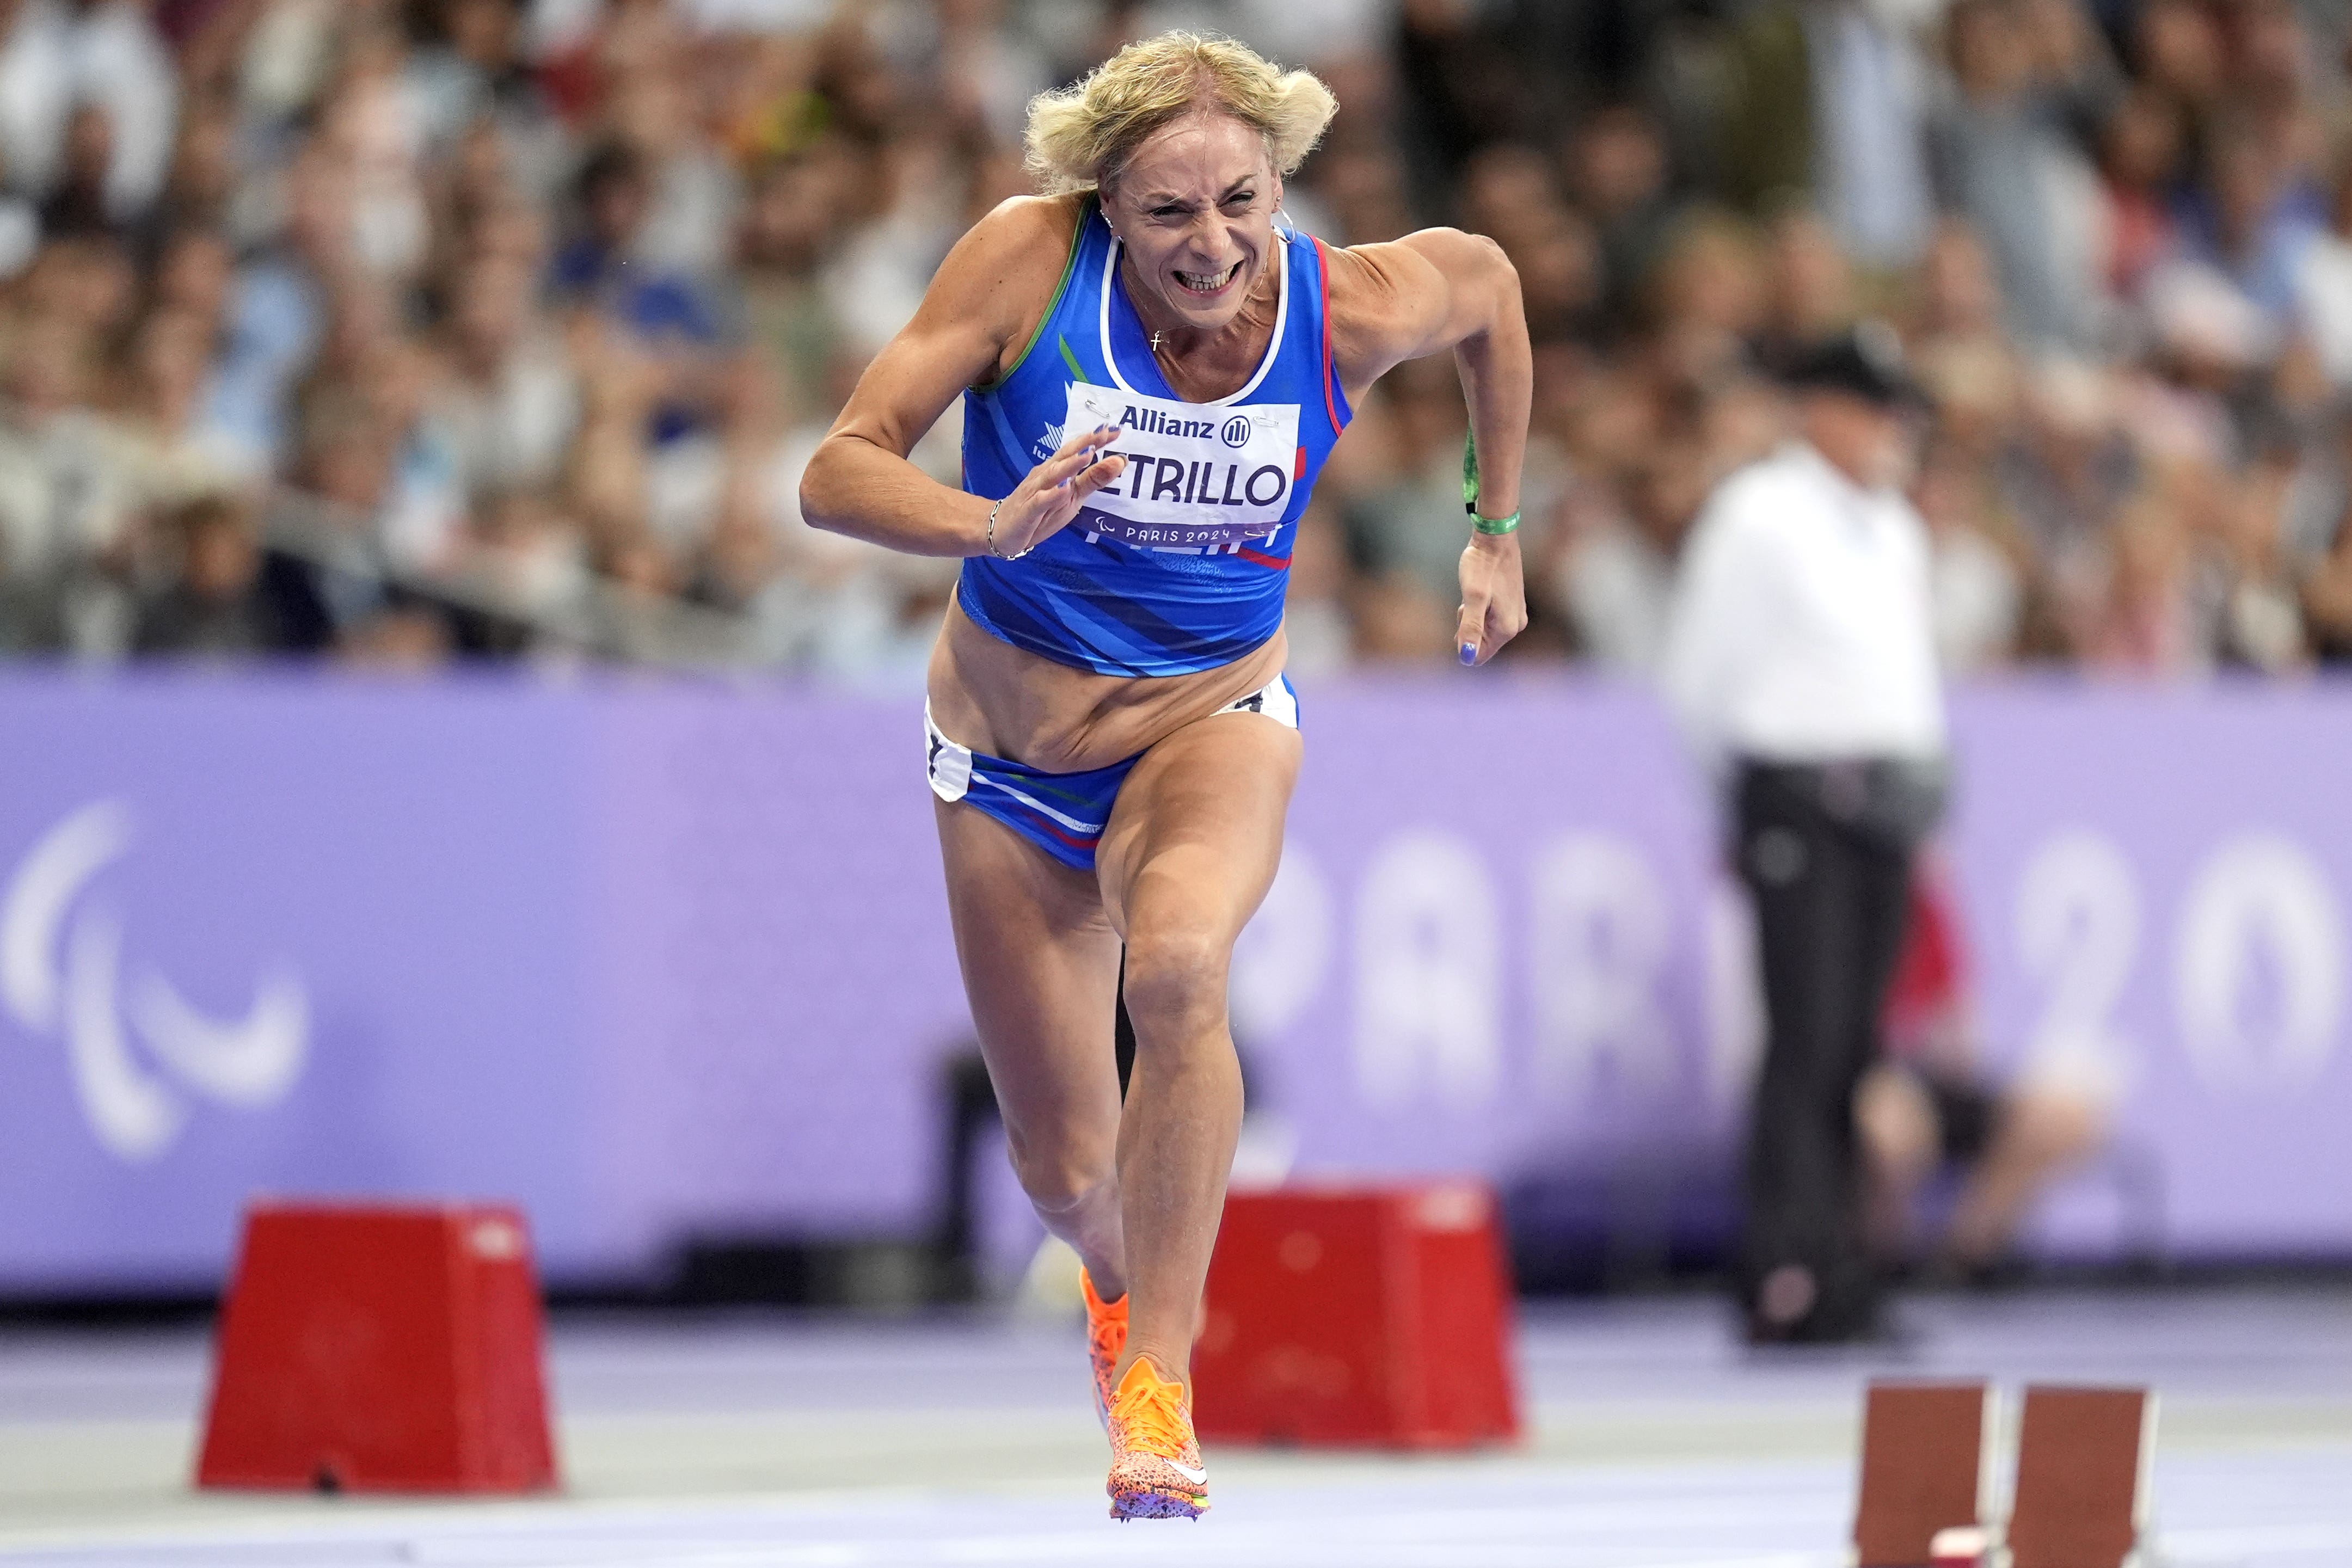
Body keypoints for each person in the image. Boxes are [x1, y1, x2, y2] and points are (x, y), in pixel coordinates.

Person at [799, 33, 1529, 1520]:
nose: (1213, 249)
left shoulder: (1346, 304)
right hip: (1007, 762)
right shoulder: (1025, 263)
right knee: (1065, 1171)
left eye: (1242, 204)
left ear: (1280, 185)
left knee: (1184, 967)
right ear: (1105, 208)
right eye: (1169, 216)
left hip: (1210, 720)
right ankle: (1120, 1289)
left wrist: (1493, 523)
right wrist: (984, 526)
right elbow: (837, 467)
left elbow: (1497, 293)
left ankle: (1162, 1385)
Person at [1661, 323, 1946, 1345]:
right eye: (1872, 407)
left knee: (1857, 1044)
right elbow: (1701, 674)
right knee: (1805, 1034)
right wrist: (1744, 796)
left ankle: (1836, 1258)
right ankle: (1781, 1263)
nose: (1891, 429)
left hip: (1881, 805)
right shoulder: (1760, 515)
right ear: (1817, 408)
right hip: (1797, 796)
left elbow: (1899, 674)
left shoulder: (1891, 527)